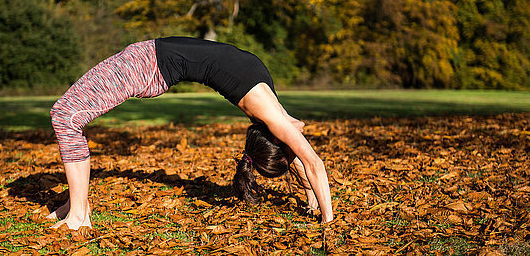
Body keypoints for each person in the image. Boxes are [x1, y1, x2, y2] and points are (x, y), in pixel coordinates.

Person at [48, 36, 333, 230]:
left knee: (64, 117)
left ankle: (78, 215)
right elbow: (312, 161)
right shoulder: (275, 119)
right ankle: (76, 207)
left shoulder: (271, 109)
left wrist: (312, 196)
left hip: (149, 62)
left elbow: (296, 140)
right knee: (66, 116)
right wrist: (328, 220)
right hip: (146, 63)